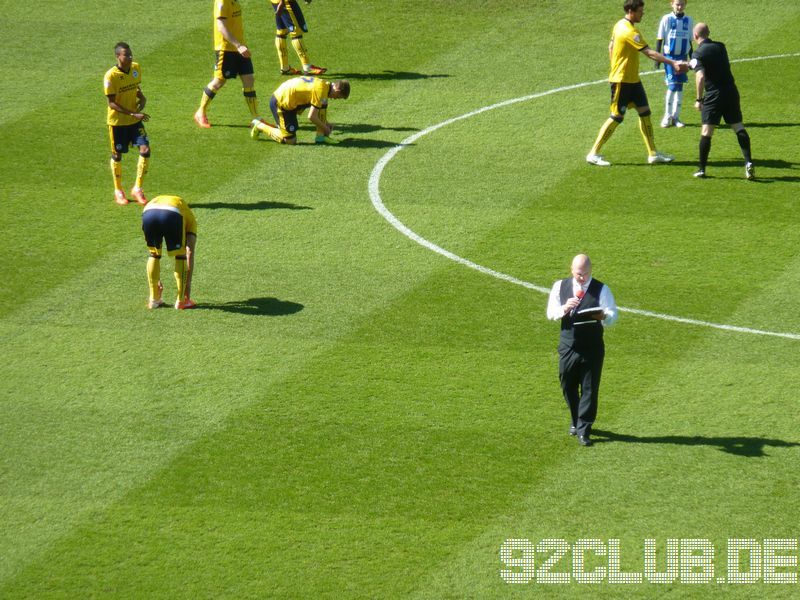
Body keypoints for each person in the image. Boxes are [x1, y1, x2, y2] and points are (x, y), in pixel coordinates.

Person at [586, 0, 689, 167]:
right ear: (630, 11)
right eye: (641, 11)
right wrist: (673, 63)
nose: (643, 13)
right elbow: (649, 53)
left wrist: (615, 65)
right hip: (622, 81)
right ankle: (593, 153)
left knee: (645, 112)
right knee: (616, 117)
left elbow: (610, 46)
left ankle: (653, 154)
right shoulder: (629, 31)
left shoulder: (619, 24)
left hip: (633, 80)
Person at [546, 254, 618, 447]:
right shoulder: (560, 286)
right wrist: (564, 308)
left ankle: (584, 429)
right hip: (568, 345)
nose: (583, 278)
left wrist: (604, 316)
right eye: (579, 274)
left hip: (592, 348)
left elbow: (612, 314)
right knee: (567, 385)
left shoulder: (601, 289)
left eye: (586, 274)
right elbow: (551, 313)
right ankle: (576, 419)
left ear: (591, 270)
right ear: (571, 270)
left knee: (589, 389)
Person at [690, 23, 754, 180]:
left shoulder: (698, 54)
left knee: (706, 132)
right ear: (709, 33)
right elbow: (713, 64)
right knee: (738, 127)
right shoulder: (721, 46)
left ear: (695, 36)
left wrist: (699, 99)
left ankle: (702, 169)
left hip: (713, 95)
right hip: (731, 91)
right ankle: (748, 162)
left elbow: (700, 76)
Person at [194, 0, 262, 128]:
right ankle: (200, 112)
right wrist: (238, 45)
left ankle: (255, 118)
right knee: (219, 81)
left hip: (240, 46)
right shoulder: (222, 1)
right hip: (226, 48)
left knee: (249, 79)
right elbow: (221, 26)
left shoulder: (234, 1)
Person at [104, 42, 150, 206]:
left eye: (131, 54)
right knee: (117, 155)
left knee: (145, 149)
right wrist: (132, 113)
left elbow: (135, 87)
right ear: (118, 56)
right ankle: (118, 190)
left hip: (135, 121)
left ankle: (137, 188)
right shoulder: (111, 76)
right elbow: (111, 103)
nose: (130, 57)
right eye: (126, 55)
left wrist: (142, 97)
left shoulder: (136, 68)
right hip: (117, 123)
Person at [250, 77, 350, 145]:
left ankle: (320, 137)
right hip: (281, 103)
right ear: (337, 90)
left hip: (291, 101)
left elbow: (319, 108)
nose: (335, 99)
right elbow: (311, 116)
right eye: (337, 97)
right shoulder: (321, 91)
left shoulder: (325, 85)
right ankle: (259, 126)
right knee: (290, 141)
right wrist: (326, 128)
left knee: (323, 104)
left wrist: (326, 123)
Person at [141, 195, 198, 310]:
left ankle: (154, 300)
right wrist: (187, 289)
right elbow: (189, 252)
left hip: (148, 211)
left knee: (154, 254)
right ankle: (181, 301)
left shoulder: (182, 206)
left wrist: (155, 279)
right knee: (181, 256)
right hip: (172, 213)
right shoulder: (191, 220)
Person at [655, 0, 694, 127]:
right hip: (670, 58)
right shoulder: (666, 19)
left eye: (682, 4)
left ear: (685, 4)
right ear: (671, 4)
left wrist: (692, 58)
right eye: (677, 4)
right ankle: (667, 116)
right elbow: (660, 39)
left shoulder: (689, 20)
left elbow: (689, 40)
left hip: (682, 58)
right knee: (672, 86)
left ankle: (676, 117)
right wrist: (658, 59)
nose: (679, 6)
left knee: (680, 87)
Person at [270, 0, 327, 76]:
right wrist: (282, 2)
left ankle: (285, 68)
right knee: (296, 33)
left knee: (281, 31)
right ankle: (307, 67)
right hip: (285, 2)